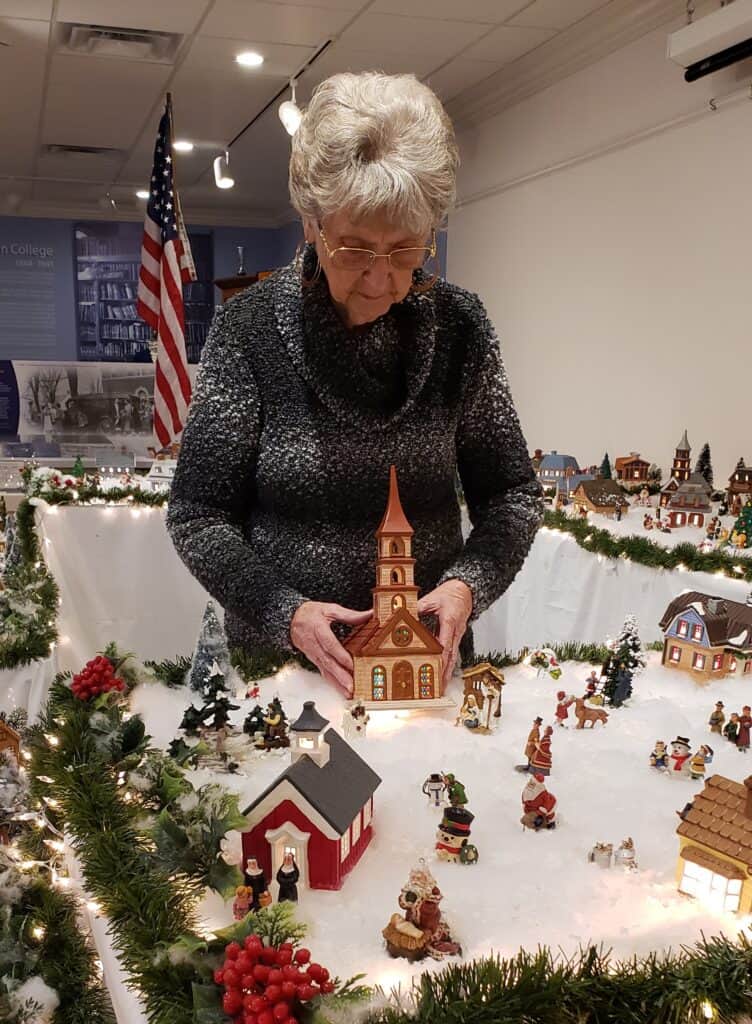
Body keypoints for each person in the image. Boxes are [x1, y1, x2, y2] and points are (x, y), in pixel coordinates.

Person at [166, 72, 542, 698]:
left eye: (406, 250)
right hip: (286, 674)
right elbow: (198, 514)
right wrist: (285, 611)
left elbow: (511, 496)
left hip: (423, 668)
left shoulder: (461, 328)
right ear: (310, 223)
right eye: (356, 248)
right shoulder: (249, 329)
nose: (379, 278)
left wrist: (466, 586)